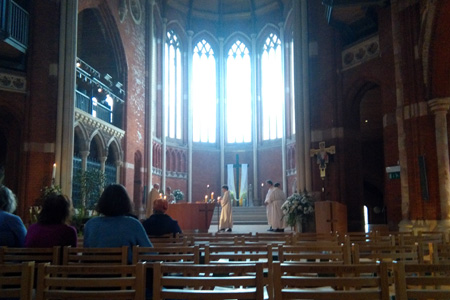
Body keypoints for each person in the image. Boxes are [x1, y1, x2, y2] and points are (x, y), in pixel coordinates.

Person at [83, 184, 152, 263]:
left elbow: (86, 255)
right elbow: (150, 253)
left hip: (94, 273)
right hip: (126, 274)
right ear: (125, 202)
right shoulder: (133, 224)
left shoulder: (91, 224)